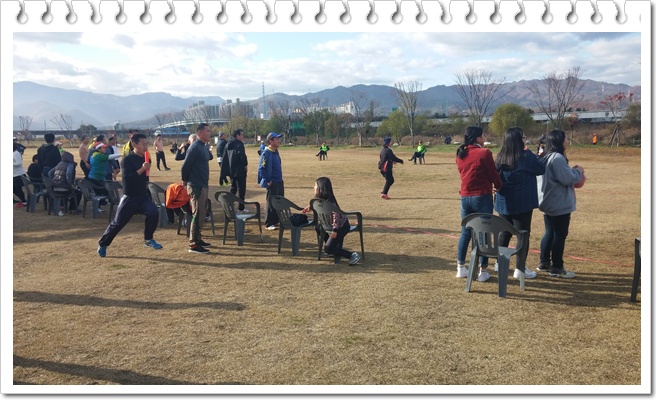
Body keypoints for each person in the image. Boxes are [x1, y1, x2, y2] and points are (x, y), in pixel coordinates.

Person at [97, 133, 163, 257]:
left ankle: (148, 239)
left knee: (153, 212)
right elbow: (127, 178)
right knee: (118, 223)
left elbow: (145, 178)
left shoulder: (146, 159)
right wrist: (142, 169)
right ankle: (103, 244)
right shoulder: (127, 160)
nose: (145, 147)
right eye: (143, 144)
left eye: (146, 144)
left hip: (142, 197)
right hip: (129, 198)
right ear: (134, 144)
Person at [493, 127, 545, 279]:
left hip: (504, 201)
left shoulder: (501, 156)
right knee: (522, 234)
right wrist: (532, 154)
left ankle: (499, 263)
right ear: (518, 140)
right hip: (523, 202)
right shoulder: (526, 156)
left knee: (505, 232)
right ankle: (520, 268)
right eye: (523, 137)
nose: (525, 139)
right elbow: (541, 169)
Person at [455, 126, 503, 281]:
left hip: (465, 196)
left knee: (465, 232)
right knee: (484, 233)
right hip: (481, 196)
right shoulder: (484, 153)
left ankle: (460, 267)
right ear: (477, 138)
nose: (485, 137)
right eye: (483, 135)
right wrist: (499, 185)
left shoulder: (461, 153)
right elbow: (493, 174)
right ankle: (483, 270)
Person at [536, 129, 585, 278]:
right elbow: (567, 178)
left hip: (547, 201)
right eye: (565, 138)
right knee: (559, 235)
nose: (567, 140)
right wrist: (578, 171)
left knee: (550, 232)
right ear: (559, 140)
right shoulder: (557, 158)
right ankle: (557, 267)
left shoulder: (545, 156)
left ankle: (544, 262)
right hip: (558, 203)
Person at [301, 177, 361, 265]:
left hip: (341, 226)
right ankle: (332, 248)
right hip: (328, 225)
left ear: (321, 188)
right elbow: (314, 204)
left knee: (328, 248)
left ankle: (352, 255)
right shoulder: (319, 200)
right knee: (318, 228)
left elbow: (336, 216)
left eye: (315, 186)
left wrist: (335, 230)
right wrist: (308, 208)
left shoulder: (331, 202)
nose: (314, 187)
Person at [181, 123, 213, 254]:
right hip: (196, 185)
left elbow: (209, 157)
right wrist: (185, 180)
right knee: (198, 213)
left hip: (203, 184)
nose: (210, 133)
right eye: (207, 131)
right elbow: (185, 166)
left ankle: (198, 238)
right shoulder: (194, 147)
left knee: (202, 213)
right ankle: (193, 244)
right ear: (199, 133)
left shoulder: (203, 146)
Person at [258, 132, 284, 230]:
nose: (279, 141)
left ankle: (276, 220)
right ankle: (268, 223)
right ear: (271, 141)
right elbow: (261, 168)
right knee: (271, 202)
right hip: (272, 182)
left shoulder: (276, 152)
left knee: (279, 201)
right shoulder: (266, 153)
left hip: (279, 181)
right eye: (277, 139)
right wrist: (268, 180)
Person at [220, 129, 249, 213]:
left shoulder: (228, 144)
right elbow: (242, 156)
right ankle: (241, 208)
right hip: (240, 171)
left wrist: (225, 171)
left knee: (233, 188)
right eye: (241, 135)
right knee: (241, 190)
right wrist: (245, 165)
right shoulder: (239, 144)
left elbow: (224, 157)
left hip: (231, 171)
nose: (243, 136)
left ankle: (229, 205)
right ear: (237, 135)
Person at [48, 151, 80, 215]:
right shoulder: (70, 164)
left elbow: (49, 173)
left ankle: (66, 207)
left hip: (55, 188)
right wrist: (70, 184)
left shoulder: (59, 164)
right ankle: (73, 208)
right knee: (78, 192)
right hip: (64, 188)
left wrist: (53, 181)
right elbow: (68, 174)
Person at [13, 142, 27, 207]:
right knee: (14, 188)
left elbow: (19, 163)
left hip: (19, 174)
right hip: (14, 174)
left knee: (17, 188)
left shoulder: (16, 153)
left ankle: (24, 201)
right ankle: (23, 200)